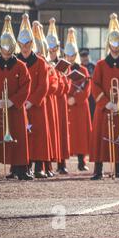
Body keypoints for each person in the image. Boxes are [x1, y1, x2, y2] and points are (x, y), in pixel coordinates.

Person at [90, 14, 119, 180]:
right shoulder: (100, 65)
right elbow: (94, 85)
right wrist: (106, 102)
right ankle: (98, 168)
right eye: (113, 43)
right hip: (105, 108)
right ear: (109, 45)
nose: (115, 47)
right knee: (100, 137)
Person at [0, 15, 32, 181]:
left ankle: (20, 169)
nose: (5, 53)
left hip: (15, 108)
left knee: (18, 136)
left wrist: (13, 101)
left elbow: (26, 86)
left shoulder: (21, 66)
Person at [16, 19, 51, 179]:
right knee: (21, 136)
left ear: (32, 43)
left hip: (36, 106)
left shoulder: (41, 63)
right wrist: (20, 101)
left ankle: (39, 167)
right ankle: (20, 166)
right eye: (22, 44)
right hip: (19, 106)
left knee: (38, 137)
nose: (25, 47)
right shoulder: (15, 62)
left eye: (28, 43)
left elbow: (43, 86)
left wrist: (31, 101)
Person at [64, 28, 92, 172]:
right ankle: (61, 164)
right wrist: (68, 98)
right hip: (67, 105)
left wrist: (76, 98)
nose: (70, 58)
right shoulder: (61, 68)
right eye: (67, 55)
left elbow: (87, 88)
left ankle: (82, 161)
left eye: (72, 55)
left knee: (81, 135)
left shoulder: (83, 70)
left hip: (80, 106)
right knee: (64, 133)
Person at [47, 21, 71, 175]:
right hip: (49, 99)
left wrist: (61, 76)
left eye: (55, 48)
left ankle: (61, 162)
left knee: (61, 130)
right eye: (50, 48)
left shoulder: (62, 65)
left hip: (60, 101)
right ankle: (47, 163)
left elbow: (67, 87)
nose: (53, 51)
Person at [80, 48, 96, 119]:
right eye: (83, 56)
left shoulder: (93, 67)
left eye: (86, 56)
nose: (84, 58)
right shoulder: (79, 68)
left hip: (93, 96)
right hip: (83, 95)